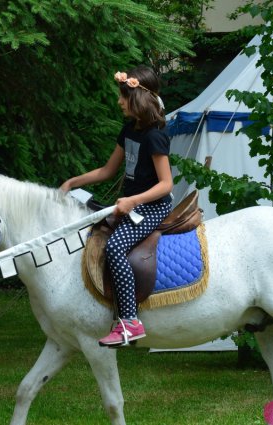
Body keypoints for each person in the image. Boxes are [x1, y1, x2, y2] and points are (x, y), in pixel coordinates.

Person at [60, 66, 173, 348]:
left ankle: (130, 323)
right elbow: (108, 170)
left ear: (137, 98)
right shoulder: (128, 131)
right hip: (132, 208)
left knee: (114, 248)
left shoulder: (154, 136)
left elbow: (166, 184)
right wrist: (72, 182)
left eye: (123, 96)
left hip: (153, 208)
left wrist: (133, 200)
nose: (119, 102)